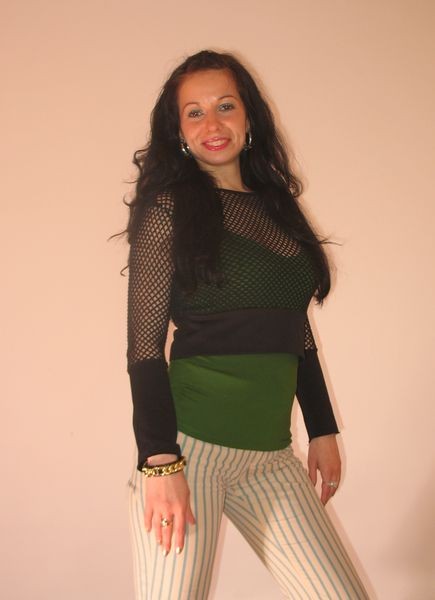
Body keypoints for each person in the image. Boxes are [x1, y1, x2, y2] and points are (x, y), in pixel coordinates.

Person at [124, 49, 369, 599]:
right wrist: (159, 464)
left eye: (225, 106)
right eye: (194, 112)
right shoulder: (168, 211)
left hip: (271, 459)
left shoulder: (278, 208)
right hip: (190, 453)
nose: (212, 123)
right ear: (178, 130)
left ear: (249, 115)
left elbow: (294, 326)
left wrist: (322, 428)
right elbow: (144, 350)